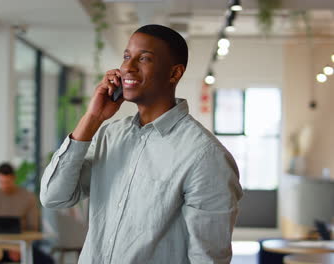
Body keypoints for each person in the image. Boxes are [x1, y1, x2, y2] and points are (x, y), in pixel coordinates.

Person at [40, 24, 243, 264]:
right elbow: (54, 196)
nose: (127, 67)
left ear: (174, 74)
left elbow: (208, 258)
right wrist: (92, 118)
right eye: (127, 56)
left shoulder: (205, 156)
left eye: (144, 58)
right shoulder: (110, 135)